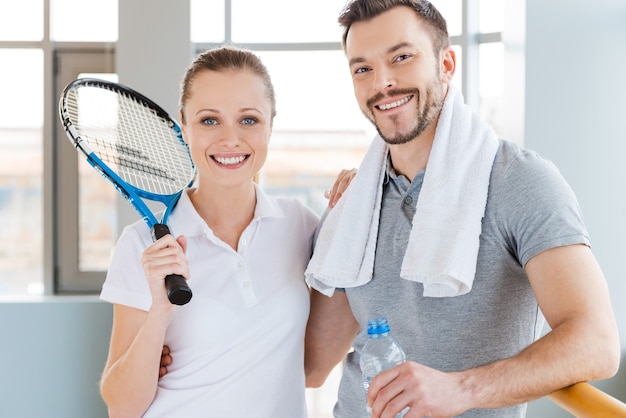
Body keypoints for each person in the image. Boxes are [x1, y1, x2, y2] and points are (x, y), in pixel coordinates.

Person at [304, 1, 621, 418]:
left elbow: (596, 342)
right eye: (362, 68)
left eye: (402, 57)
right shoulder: (356, 201)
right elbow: (312, 364)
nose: (382, 82)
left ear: (447, 63)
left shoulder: (519, 181)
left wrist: (461, 389)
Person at [99, 46, 324, 417]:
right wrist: (159, 311)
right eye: (209, 120)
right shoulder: (141, 245)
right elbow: (122, 408)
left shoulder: (300, 224)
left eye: (248, 120)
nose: (230, 139)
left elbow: (314, 365)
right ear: (183, 126)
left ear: (271, 124)